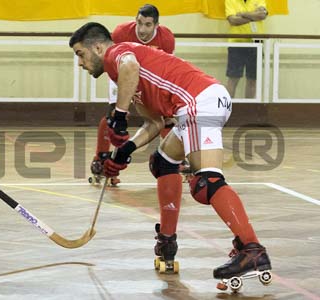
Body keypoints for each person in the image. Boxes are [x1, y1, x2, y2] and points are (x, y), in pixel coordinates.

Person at [69, 23, 271, 280]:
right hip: (201, 101)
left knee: (206, 183)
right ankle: (167, 241)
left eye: (80, 54)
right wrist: (124, 151)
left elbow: (130, 66)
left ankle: (252, 249)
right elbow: (154, 122)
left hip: (197, 101)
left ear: (97, 47)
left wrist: (119, 116)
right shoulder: (123, 75)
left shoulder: (116, 54)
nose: (80, 63)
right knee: (163, 161)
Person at [91, 4, 176, 186]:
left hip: (150, 79)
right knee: (114, 115)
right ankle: (101, 157)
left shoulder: (166, 38)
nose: (142, 29)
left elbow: (167, 67)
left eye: (147, 25)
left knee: (166, 118)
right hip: (121, 75)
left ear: (156, 25)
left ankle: (173, 157)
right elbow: (112, 61)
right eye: (139, 23)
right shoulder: (121, 33)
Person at [225, 0, 268, 98]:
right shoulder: (230, 0)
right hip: (236, 44)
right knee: (233, 79)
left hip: (256, 44)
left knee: (253, 79)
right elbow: (233, 21)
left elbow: (262, 15)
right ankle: (227, 109)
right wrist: (253, 16)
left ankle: (250, 109)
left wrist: (243, 14)